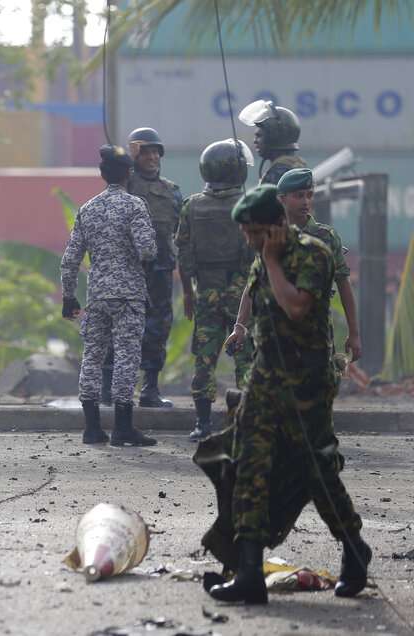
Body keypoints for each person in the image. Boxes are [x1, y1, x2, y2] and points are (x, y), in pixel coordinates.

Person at [207, 185, 371, 604]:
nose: (247, 239)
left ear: (272, 227)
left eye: (251, 231)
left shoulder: (312, 254)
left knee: (317, 471)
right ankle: (248, 571)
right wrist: (241, 326)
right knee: (249, 463)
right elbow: (254, 298)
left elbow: (295, 306)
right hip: (266, 380)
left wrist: (273, 260)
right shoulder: (264, 255)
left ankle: (354, 548)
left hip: (306, 385)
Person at [61, 145, 157, 447]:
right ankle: (123, 428)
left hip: (97, 296)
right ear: (128, 173)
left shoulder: (87, 208)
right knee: (127, 357)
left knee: (92, 357)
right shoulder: (134, 206)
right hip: (128, 295)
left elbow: (71, 258)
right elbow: (147, 250)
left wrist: (68, 296)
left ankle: (91, 428)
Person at [176, 139, 255, 441]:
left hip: (205, 291)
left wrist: (187, 293)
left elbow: (183, 255)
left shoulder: (191, 206)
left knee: (205, 357)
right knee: (246, 355)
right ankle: (246, 421)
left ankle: (202, 423)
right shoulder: (250, 204)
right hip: (242, 293)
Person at [114, 127, 182, 409]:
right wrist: (127, 160)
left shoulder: (172, 191)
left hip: (161, 271)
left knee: (158, 330)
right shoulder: (126, 184)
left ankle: (150, 389)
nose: (153, 157)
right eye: (146, 152)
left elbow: (180, 231)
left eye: (156, 152)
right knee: (123, 329)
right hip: (130, 270)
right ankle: (116, 391)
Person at [277, 168, 361, 363]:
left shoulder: (327, 237)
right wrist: (240, 325)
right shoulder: (273, 236)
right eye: (299, 196)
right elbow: (252, 283)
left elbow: (344, 284)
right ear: (282, 199)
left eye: (309, 195)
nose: (306, 201)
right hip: (278, 330)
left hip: (317, 331)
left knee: (318, 388)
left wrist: (354, 334)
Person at [238, 100, 306, 186]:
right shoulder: (298, 169)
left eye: (259, 136)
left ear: (274, 136)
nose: (254, 141)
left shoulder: (276, 176)